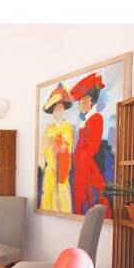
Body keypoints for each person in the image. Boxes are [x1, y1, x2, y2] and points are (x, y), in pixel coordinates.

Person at [70, 73, 112, 217]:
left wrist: (81, 160)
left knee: (91, 198)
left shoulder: (96, 118)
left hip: (87, 167)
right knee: (80, 200)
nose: (80, 104)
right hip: (81, 168)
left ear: (90, 100)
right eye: (79, 101)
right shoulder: (86, 121)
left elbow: (92, 146)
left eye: (83, 100)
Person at [40, 83, 74, 213]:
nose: (57, 112)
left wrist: (54, 141)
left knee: (62, 197)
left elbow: (65, 146)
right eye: (55, 110)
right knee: (48, 197)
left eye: (60, 109)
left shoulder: (67, 126)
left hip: (62, 169)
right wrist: (52, 141)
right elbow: (45, 145)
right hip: (50, 170)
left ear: (63, 110)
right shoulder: (49, 128)